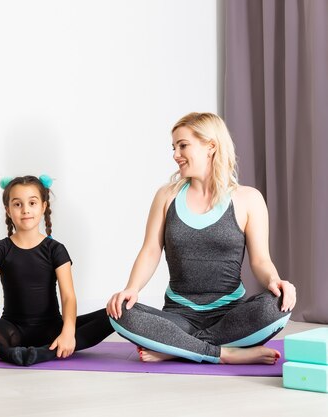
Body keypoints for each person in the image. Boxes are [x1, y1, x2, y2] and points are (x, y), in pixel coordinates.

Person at [106, 112, 296, 364]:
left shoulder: (248, 199)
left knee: (277, 304)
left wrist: (275, 280)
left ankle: (177, 347)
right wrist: (132, 288)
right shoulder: (166, 196)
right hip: (178, 316)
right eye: (173, 147)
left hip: (231, 317)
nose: (175, 154)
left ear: (211, 146)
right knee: (120, 313)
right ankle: (223, 353)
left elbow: (260, 260)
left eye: (183, 145)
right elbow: (151, 250)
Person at [0, 175, 114, 366]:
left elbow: (68, 296)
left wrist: (67, 332)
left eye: (32, 203)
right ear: (7, 210)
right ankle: (10, 352)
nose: (25, 210)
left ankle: (43, 352)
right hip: (10, 332)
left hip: (52, 330)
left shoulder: (56, 249)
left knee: (116, 315)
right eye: (17, 204)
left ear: (43, 207)